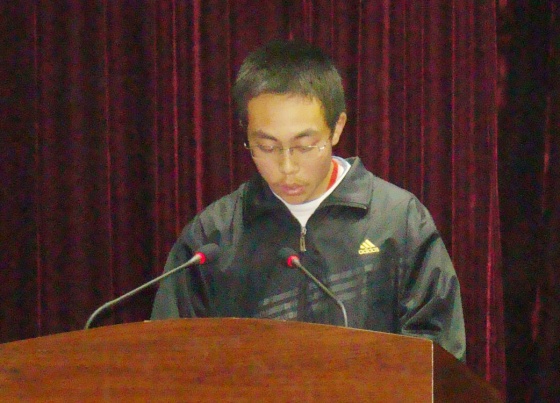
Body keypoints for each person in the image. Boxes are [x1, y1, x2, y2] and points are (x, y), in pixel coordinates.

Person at [151, 39, 466, 362]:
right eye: (267, 147)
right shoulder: (213, 238)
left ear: (336, 128)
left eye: (304, 146)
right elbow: (171, 355)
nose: (287, 166)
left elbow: (438, 355)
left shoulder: (397, 221)